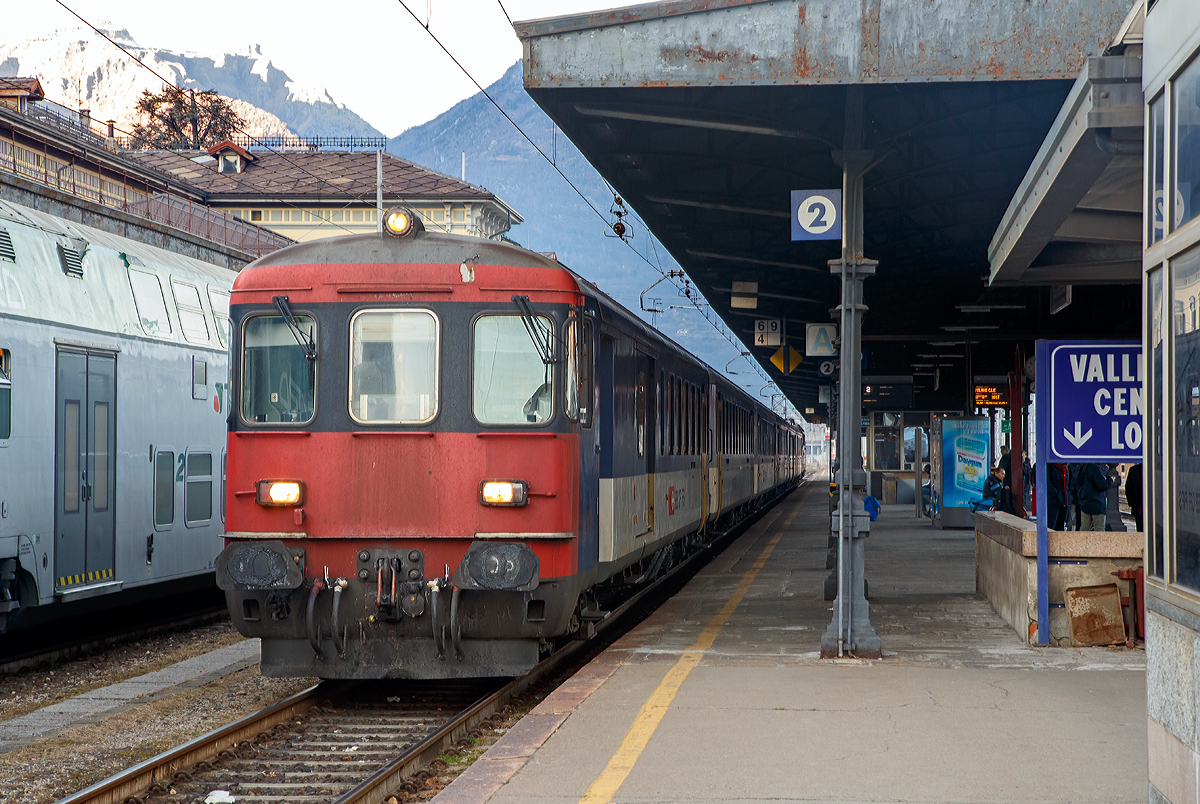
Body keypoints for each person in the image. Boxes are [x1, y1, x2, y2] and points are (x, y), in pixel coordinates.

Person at [1074, 462, 1112, 531]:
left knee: (1084, 529)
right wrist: (1111, 480)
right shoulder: (1095, 468)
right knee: (1099, 529)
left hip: (1084, 504)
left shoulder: (1081, 467)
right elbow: (1102, 485)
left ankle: (1083, 542)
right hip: (1097, 504)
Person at [1046, 462, 1069, 531]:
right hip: (1053, 502)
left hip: (1065, 501)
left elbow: (1070, 483)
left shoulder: (1066, 469)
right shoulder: (1050, 466)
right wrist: (1056, 493)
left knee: (1061, 525)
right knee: (1051, 525)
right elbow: (1046, 482)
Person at [1125, 462, 1144, 532]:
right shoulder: (1157, 468)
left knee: (1140, 530)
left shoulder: (1133, 470)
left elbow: (1128, 489)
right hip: (1142, 507)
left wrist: (1132, 503)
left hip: (1138, 507)